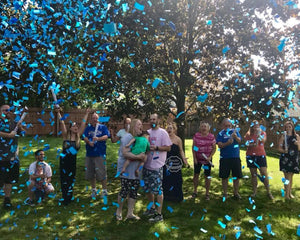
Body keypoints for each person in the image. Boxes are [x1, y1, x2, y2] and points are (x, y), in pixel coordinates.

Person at [57, 108, 90, 205]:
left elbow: (83, 123)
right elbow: (62, 123)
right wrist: (59, 113)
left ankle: (70, 197)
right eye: (74, 126)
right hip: (64, 160)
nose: (76, 127)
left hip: (72, 161)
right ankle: (64, 198)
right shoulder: (65, 136)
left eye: (76, 126)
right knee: (64, 179)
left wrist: (86, 113)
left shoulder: (78, 137)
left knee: (71, 179)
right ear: (70, 128)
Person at [143, 113, 172, 222]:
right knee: (148, 189)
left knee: (158, 190)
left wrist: (157, 147)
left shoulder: (163, 133)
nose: (152, 121)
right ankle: (152, 208)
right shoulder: (147, 133)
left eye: (154, 119)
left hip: (157, 165)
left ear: (158, 120)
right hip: (146, 165)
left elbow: (168, 148)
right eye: (150, 119)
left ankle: (159, 215)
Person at [115, 119, 146, 221]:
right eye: (138, 125)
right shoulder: (127, 137)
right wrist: (139, 157)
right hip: (126, 169)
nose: (141, 126)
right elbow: (125, 153)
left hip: (136, 170)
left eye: (141, 125)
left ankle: (130, 213)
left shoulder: (140, 138)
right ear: (133, 126)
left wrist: (143, 157)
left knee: (133, 191)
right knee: (124, 190)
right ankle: (118, 211)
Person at [0, 104, 25, 209]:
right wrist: (8, 135)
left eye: (9, 110)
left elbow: (23, 133)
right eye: (5, 110)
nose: (8, 112)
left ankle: (7, 199)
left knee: (9, 180)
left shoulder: (14, 123)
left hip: (12, 157)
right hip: (1, 157)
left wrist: (20, 127)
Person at [244, 121, 273, 199]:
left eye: (257, 125)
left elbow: (263, 140)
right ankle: (254, 192)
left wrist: (258, 135)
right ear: (252, 127)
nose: (256, 127)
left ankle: (268, 192)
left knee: (264, 173)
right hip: (251, 156)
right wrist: (252, 144)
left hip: (261, 156)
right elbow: (246, 144)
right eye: (254, 126)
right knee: (254, 174)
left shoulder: (263, 133)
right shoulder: (248, 134)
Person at [83, 112, 109, 199]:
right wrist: (88, 142)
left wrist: (98, 138)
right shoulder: (88, 128)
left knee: (102, 172)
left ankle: (104, 190)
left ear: (98, 119)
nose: (95, 120)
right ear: (91, 119)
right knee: (91, 172)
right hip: (90, 153)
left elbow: (106, 136)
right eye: (93, 118)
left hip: (100, 153)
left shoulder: (103, 127)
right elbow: (84, 136)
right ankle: (93, 189)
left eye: (96, 118)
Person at [216, 118, 243, 200]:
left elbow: (240, 141)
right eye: (226, 125)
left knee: (236, 176)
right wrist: (227, 143)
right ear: (222, 126)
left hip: (235, 157)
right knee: (224, 177)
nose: (228, 127)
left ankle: (236, 193)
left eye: (229, 125)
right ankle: (225, 193)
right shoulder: (220, 134)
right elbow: (219, 145)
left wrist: (236, 137)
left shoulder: (235, 132)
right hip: (225, 158)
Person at [163, 122, 189, 202]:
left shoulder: (178, 139)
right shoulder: (164, 138)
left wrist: (184, 158)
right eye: (168, 128)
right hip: (166, 162)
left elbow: (181, 150)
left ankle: (177, 197)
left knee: (177, 179)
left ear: (174, 130)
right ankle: (167, 197)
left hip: (176, 162)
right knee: (166, 178)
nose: (169, 129)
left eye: (171, 128)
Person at [192, 121, 216, 200]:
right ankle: (195, 191)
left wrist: (210, 157)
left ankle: (207, 193)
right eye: (202, 126)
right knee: (196, 174)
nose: (203, 128)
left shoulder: (211, 137)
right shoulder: (196, 136)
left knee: (207, 176)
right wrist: (195, 158)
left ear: (208, 128)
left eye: (205, 126)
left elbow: (214, 148)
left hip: (207, 160)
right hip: (198, 159)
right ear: (200, 128)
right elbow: (194, 147)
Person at [278, 121, 300, 199]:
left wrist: (298, 144)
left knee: (291, 177)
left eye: (289, 127)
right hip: (285, 158)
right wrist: (284, 151)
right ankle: (287, 195)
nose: (288, 128)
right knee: (287, 176)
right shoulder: (283, 136)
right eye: (286, 127)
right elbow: (279, 148)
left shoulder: (296, 136)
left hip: (294, 158)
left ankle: (289, 193)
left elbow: (299, 148)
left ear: (292, 127)